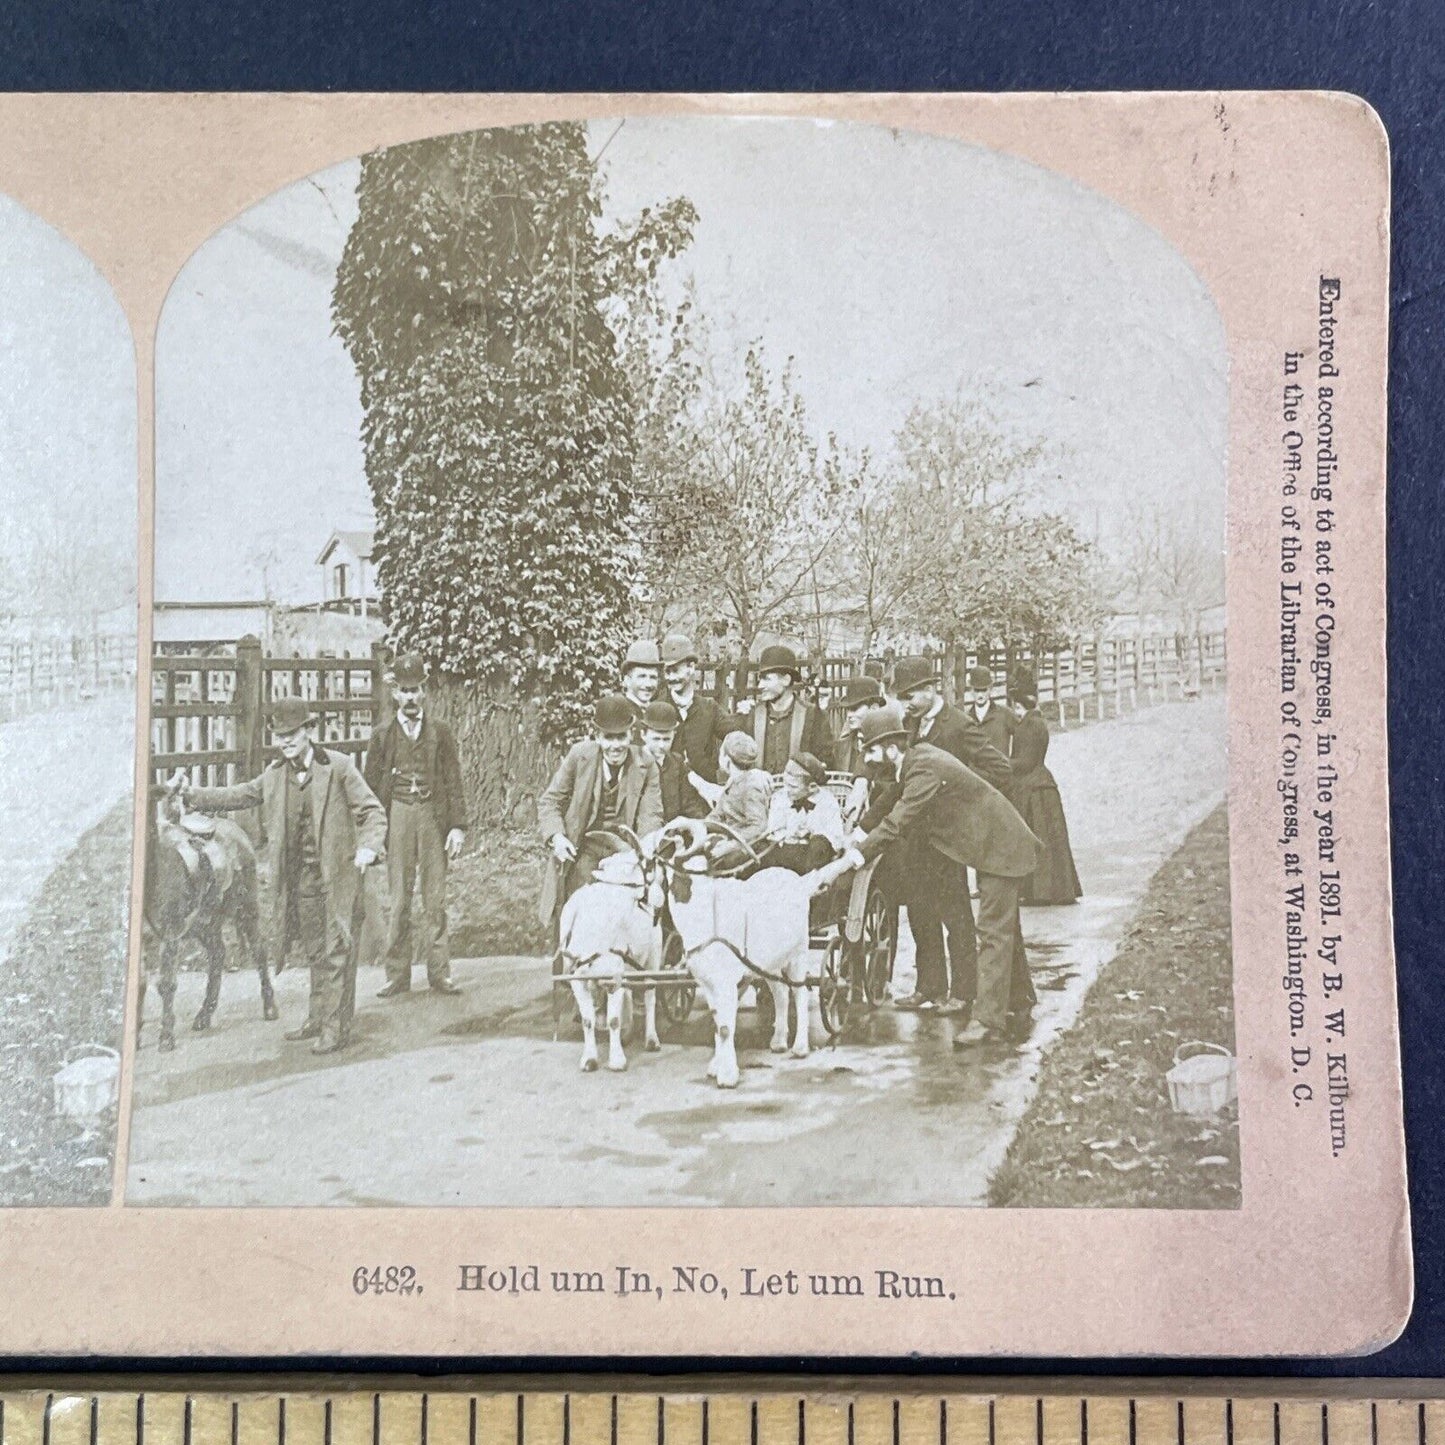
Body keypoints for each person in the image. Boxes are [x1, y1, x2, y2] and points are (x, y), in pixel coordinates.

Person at [815, 704, 1043, 1050]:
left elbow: (897, 822)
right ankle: (1021, 999)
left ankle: (987, 1021)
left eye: (872, 751)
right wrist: (856, 836)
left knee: (993, 931)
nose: (869, 759)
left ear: (892, 747)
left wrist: (848, 862)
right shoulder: (916, 761)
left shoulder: (923, 770)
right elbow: (890, 800)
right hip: (991, 844)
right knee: (1004, 926)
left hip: (1000, 847)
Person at [175, 696, 386, 1055]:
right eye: (279, 735)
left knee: (338, 950)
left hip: (337, 878)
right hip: (300, 880)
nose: (286, 741)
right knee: (316, 950)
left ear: (308, 731)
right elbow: (240, 794)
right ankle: (318, 1017)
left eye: (292, 733)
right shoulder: (274, 776)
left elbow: (373, 812)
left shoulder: (338, 767)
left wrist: (368, 846)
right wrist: (193, 795)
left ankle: (336, 1029)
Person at [888, 655, 1012, 1015]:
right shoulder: (910, 724)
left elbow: (999, 769)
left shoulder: (959, 725)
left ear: (931, 689)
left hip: (949, 839)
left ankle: (964, 992)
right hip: (916, 837)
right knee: (919, 912)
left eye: (911, 694)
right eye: (902, 695)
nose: (906, 702)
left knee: (955, 914)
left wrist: (959, 799)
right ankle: (928, 987)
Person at [364, 653, 466, 999]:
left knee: (434, 899)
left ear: (424, 691)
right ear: (395, 694)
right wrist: (375, 835)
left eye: (416, 690)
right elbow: (370, 789)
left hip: (431, 818)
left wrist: (457, 827)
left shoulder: (441, 733)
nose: (410, 697)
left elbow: (454, 782)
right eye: (404, 691)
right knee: (399, 899)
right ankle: (397, 975)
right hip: (398, 816)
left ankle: (439, 973)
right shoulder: (381, 737)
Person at [537, 693, 663, 929]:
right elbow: (550, 801)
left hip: (625, 853)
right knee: (581, 912)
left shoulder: (645, 763)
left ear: (631, 734)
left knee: (629, 914)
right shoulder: (579, 756)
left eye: (621, 737)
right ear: (597, 737)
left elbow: (652, 814)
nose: (615, 746)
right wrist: (558, 837)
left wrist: (642, 851)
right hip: (582, 848)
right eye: (608, 738)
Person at [1008, 675, 1083, 905]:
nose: (1016, 712)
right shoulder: (1037, 722)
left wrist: (1001, 762)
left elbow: (1026, 761)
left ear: (1019, 705)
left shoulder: (1028, 725)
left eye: (1016, 708)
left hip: (1033, 789)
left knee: (1038, 839)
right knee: (1051, 839)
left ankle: (1039, 893)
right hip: (1041, 785)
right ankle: (1055, 890)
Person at [748, 643, 833, 775]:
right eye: (760, 680)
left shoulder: (813, 715)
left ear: (786, 680)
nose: (760, 685)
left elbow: (825, 764)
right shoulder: (753, 715)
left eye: (766, 679)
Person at [661, 633, 733, 786]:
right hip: (668, 792)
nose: (671, 677)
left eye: (676, 671)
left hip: (704, 793)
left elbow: (734, 732)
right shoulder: (659, 707)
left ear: (691, 668)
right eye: (667, 671)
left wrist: (723, 765)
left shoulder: (708, 708)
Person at [765, 752, 846, 873]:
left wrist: (812, 832)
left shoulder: (827, 801)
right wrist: (789, 834)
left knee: (819, 846)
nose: (786, 790)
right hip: (787, 849)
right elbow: (774, 830)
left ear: (812, 787)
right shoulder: (780, 797)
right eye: (785, 783)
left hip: (813, 853)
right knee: (768, 851)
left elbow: (836, 838)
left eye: (792, 786)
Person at [639, 697, 708, 824]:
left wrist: (700, 826)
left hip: (673, 832)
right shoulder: (634, 762)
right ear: (643, 735)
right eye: (656, 739)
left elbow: (689, 803)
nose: (661, 745)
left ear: (674, 735)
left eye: (666, 740)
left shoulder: (676, 763)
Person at [966, 663, 1014, 756]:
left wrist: (1013, 763)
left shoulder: (1005, 714)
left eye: (984, 690)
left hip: (1000, 769)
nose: (980, 695)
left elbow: (1024, 735)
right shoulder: (966, 719)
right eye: (976, 690)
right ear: (970, 690)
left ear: (990, 689)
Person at [619, 639, 662, 721]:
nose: (648, 684)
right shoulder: (619, 714)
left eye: (653, 677)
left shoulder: (655, 714)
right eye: (642, 676)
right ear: (627, 680)